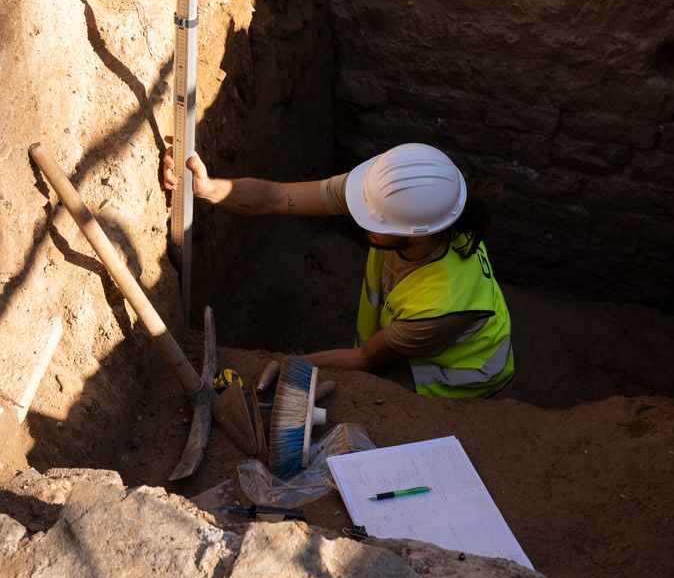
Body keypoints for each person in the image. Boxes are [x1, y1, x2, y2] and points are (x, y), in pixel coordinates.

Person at [163, 141, 514, 399]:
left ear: (415, 234)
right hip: (417, 322)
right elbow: (274, 197)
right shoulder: (385, 198)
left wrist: (285, 365)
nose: (362, 219)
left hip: (462, 371)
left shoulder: (440, 306)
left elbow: (366, 360)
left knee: (368, 398)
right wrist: (210, 189)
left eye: (375, 222)